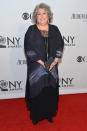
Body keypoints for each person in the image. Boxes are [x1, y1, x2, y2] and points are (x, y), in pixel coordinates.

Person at [24, 3, 64, 125]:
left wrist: (56, 60)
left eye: (44, 13)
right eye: (39, 14)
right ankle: (36, 116)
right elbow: (28, 47)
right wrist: (40, 61)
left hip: (52, 67)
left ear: (49, 15)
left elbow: (60, 45)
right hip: (37, 67)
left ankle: (49, 114)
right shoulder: (31, 30)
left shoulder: (55, 29)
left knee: (50, 90)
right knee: (37, 90)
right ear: (36, 16)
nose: (41, 16)